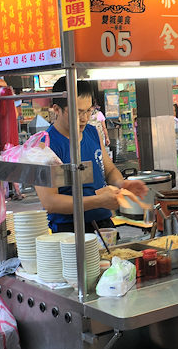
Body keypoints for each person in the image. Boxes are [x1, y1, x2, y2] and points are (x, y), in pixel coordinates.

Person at [35, 77, 147, 233]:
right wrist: (98, 201)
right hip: (69, 230)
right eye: (77, 112)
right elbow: (50, 202)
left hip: (104, 225)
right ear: (57, 109)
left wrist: (121, 184)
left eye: (88, 110)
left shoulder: (92, 132)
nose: (84, 118)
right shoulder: (45, 145)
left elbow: (109, 170)